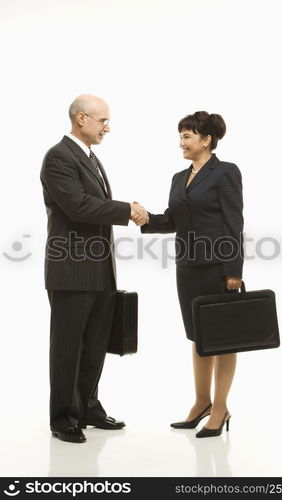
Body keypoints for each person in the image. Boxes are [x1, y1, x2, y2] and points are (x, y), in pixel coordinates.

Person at [40, 94, 148, 443]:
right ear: (81, 118)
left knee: (95, 345)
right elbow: (78, 206)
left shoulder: (90, 158)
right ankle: (63, 419)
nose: (107, 127)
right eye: (103, 120)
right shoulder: (58, 157)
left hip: (100, 271)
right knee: (68, 347)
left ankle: (87, 407)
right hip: (71, 272)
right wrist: (126, 210)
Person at [134, 111, 244, 438]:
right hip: (187, 268)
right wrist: (145, 219)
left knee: (222, 341)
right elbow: (172, 220)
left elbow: (233, 223)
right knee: (198, 338)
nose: (181, 142)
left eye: (187, 136)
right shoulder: (178, 178)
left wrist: (233, 271)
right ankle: (201, 403)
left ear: (206, 139)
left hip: (217, 269)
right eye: (180, 136)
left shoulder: (225, 172)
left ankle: (221, 408)